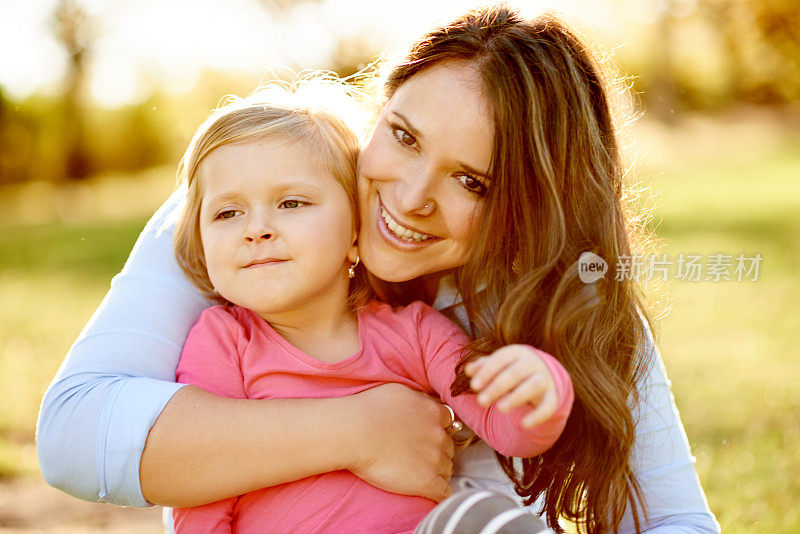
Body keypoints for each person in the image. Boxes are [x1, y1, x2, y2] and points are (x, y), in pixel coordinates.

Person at [36, 5, 719, 533]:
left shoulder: (544, 300)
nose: (412, 196)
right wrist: (362, 428)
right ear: (379, 109)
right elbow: (74, 432)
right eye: (402, 135)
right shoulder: (248, 213)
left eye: (472, 182)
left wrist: (543, 389)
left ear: (529, 208)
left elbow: (672, 515)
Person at [167, 92, 572, 533]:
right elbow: (200, 492)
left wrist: (539, 389)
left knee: (481, 522)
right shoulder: (223, 341)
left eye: (291, 203)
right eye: (228, 212)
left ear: (356, 232)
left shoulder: (416, 333)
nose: (256, 229)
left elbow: (509, 431)